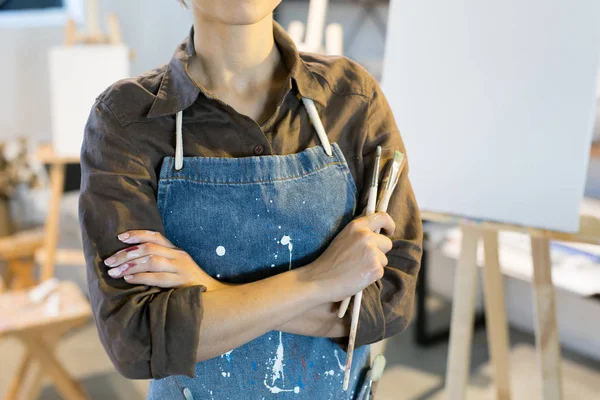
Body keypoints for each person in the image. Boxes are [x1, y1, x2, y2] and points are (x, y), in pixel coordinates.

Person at [78, 0, 422, 398]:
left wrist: (208, 290)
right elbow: (139, 339)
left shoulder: (352, 100)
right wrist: (319, 281)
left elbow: (390, 301)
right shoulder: (125, 121)